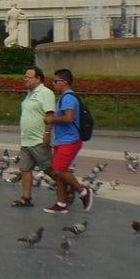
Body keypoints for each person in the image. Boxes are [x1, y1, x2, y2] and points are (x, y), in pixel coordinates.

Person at [45, 69, 92, 214]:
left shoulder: (68, 98)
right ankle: (61, 203)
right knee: (59, 172)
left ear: (64, 82)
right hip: (62, 140)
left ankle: (83, 192)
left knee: (59, 170)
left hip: (70, 140)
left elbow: (69, 118)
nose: (53, 84)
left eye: (55, 81)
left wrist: (52, 119)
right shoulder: (64, 97)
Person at [11, 66, 55, 207]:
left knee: (48, 168)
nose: (26, 80)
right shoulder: (29, 93)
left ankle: (67, 187)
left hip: (38, 139)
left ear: (38, 78)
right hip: (26, 139)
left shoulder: (45, 93)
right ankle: (26, 198)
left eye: (29, 77)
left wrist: (47, 133)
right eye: (25, 77)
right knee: (25, 168)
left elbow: (50, 115)